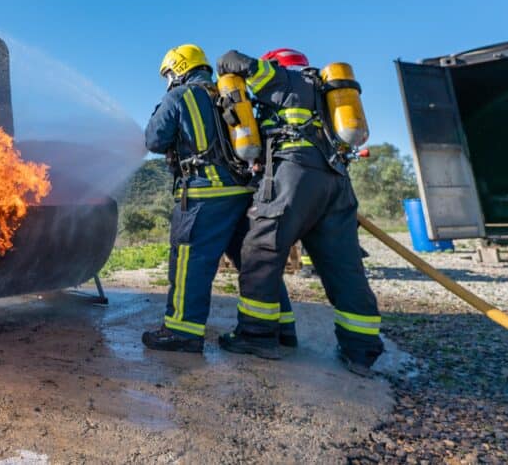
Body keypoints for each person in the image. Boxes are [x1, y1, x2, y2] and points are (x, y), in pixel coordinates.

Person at [215, 47, 384, 375]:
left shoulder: (285, 78)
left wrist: (226, 68)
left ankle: (258, 335)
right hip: (335, 181)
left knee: (260, 252)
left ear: (278, 64)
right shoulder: (324, 91)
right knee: (343, 266)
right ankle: (361, 350)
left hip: (294, 174)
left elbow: (238, 61)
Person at [142, 44, 296, 354]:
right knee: (255, 264)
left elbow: (154, 140)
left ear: (178, 69)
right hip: (242, 194)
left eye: (168, 74)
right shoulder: (227, 93)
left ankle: (182, 332)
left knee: (190, 262)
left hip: (204, 195)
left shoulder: (178, 96)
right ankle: (281, 328)